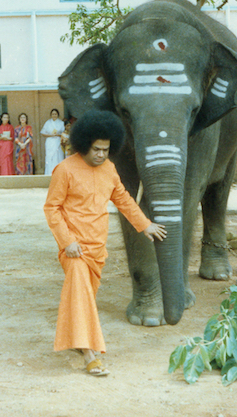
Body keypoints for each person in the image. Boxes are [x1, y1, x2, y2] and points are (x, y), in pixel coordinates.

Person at [44, 110, 167, 377]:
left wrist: (145, 224)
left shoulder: (110, 169)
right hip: (74, 250)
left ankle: (79, 340)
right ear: (84, 144)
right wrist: (67, 242)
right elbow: (52, 209)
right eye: (96, 149)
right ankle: (91, 354)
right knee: (81, 296)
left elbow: (123, 199)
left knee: (85, 298)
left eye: (106, 149)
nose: (101, 154)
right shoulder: (64, 170)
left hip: (97, 249)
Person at [40, 109, 64, 174]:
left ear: (58, 115)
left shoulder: (61, 123)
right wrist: (50, 135)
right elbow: (42, 133)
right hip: (50, 141)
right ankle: (49, 173)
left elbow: (64, 133)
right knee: (50, 157)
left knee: (58, 156)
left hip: (58, 141)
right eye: (53, 114)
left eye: (55, 114)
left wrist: (57, 134)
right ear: (51, 115)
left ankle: (58, 173)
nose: (54, 115)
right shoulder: (48, 123)